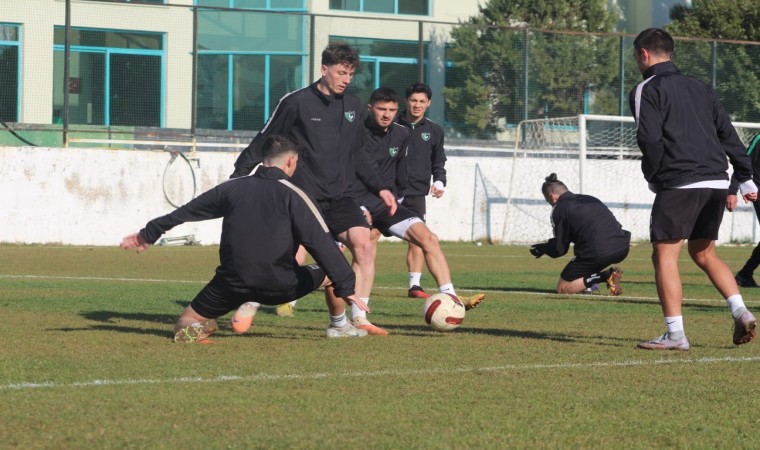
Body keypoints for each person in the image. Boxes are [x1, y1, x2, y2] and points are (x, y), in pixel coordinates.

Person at [120, 135, 370, 342]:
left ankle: (197, 330)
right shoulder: (295, 194)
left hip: (231, 283)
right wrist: (346, 286)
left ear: (263, 160)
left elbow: (186, 212)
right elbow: (320, 242)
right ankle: (338, 326)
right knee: (332, 268)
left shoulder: (231, 188)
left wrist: (148, 234)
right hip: (279, 285)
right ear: (291, 161)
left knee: (186, 321)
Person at [230, 41, 396, 335]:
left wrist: (381, 187)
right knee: (289, 255)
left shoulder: (354, 107)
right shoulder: (296, 102)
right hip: (303, 195)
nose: (346, 79)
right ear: (324, 69)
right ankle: (252, 299)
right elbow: (265, 140)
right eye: (341, 72)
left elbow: (358, 153)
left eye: (350, 74)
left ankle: (357, 318)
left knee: (363, 244)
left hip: (341, 196)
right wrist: (239, 175)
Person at [629, 28, 757, 350]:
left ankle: (675, 335)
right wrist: (744, 175)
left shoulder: (647, 88)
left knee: (664, 254)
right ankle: (740, 310)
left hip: (680, 182)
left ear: (644, 54)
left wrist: (655, 174)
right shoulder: (702, 87)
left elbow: (649, 139)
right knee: (703, 252)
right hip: (715, 181)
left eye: (636, 58)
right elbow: (728, 134)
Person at [354, 87, 485, 310]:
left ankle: (451, 299)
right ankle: (295, 293)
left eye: (391, 110)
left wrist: (436, 181)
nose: (387, 114)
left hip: (400, 198)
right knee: (354, 248)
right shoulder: (356, 133)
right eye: (382, 109)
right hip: (356, 200)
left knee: (427, 238)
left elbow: (429, 163)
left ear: (428, 103)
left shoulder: (414, 132)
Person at [529, 173, 630, 296]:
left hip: (599, 251)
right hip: (621, 245)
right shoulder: (589, 198)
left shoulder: (560, 209)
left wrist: (544, 248)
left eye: (547, 200)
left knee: (562, 288)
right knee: (583, 255)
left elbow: (560, 249)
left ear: (551, 196)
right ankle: (589, 286)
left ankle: (605, 276)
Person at [396, 82, 448, 299]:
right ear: (406, 101)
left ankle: (415, 286)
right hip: (387, 191)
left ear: (428, 104)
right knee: (368, 236)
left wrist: (440, 182)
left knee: (417, 238)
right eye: (413, 100)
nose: (417, 105)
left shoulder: (434, 130)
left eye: (422, 101)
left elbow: (439, 161)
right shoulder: (392, 124)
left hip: (416, 192)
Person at [728, 133, 760, 288]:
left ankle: (744, 274)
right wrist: (732, 190)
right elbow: (743, 162)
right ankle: (744, 274)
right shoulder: (759, 139)